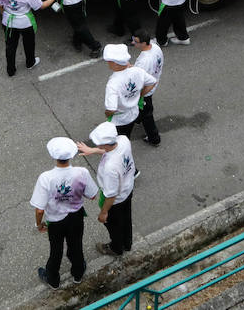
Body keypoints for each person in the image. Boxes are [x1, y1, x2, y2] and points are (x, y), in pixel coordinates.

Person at [31, 137, 99, 289]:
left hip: (55, 220)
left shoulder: (46, 178)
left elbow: (40, 209)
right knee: (76, 245)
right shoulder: (82, 172)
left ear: (53, 156)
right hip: (76, 216)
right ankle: (78, 273)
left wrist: (39, 224)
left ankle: (53, 279)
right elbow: (93, 195)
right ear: (71, 155)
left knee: (56, 250)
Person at [77, 121, 135, 257]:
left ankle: (116, 248)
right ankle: (127, 243)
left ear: (105, 144)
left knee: (113, 225)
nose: (97, 145)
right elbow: (110, 150)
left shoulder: (110, 168)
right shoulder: (123, 140)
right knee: (126, 219)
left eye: (98, 143)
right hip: (128, 189)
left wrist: (104, 212)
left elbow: (111, 195)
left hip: (115, 200)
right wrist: (94, 151)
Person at [0, 0, 55, 76]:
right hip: (25, 23)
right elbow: (41, 6)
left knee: (10, 46)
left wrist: (4, 15)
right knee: (29, 43)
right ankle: (30, 63)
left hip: (8, 22)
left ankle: (11, 70)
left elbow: (0, 6)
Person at [102, 44, 156, 137]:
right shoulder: (138, 71)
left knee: (120, 138)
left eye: (109, 61)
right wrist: (140, 95)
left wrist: (107, 114)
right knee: (127, 133)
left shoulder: (113, 84)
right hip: (134, 112)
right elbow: (152, 82)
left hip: (120, 119)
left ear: (115, 64)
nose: (108, 63)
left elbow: (111, 109)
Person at [128, 33, 164, 146]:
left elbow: (138, 80)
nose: (133, 43)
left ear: (143, 43)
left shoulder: (144, 61)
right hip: (154, 81)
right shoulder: (155, 47)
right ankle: (138, 118)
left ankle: (154, 138)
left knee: (147, 115)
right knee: (144, 109)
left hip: (146, 90)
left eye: (136, 41)